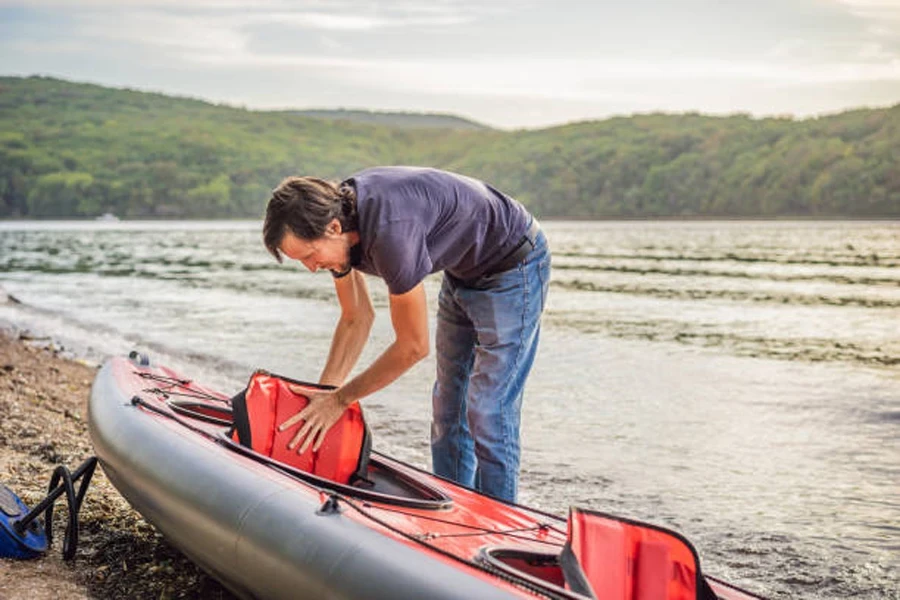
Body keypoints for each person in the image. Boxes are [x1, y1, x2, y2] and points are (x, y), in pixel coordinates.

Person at [263, 166, 550, 502]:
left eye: (310, 256)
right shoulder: (333, 221)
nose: (311, 268)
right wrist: (324, 396)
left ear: (334, 228)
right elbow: (357, 317)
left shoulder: (390, 233)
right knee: (448, 405)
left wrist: (341, 399)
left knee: (488, 408)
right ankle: (453, 507)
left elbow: (413, 347)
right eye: (302, 262)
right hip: (463, 271)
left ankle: (500, 518)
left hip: (513, 266)